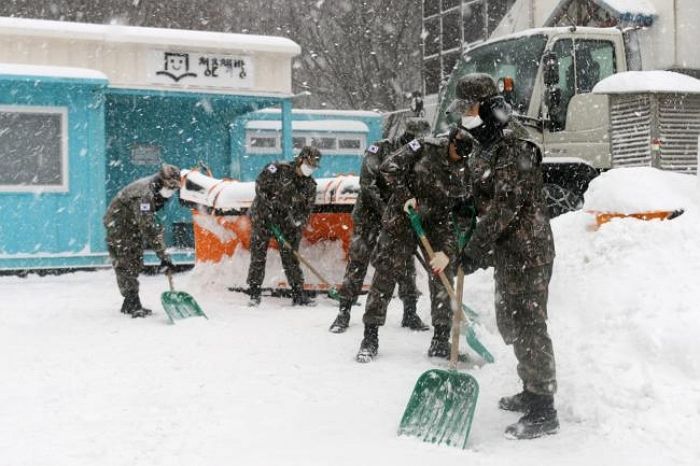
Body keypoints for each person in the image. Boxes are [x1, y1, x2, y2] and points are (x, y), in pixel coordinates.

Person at [450, 73, 558, 439]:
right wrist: (467, 204)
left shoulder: (515, 147)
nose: (463, 116)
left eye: (468, 108)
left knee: (529, 324)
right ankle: (531, 390)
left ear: (490, 108)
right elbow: (487, 194)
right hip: (509, 251)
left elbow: (505, 208)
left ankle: (544, 408)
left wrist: (474, 250)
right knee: (512, 322)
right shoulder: (489, 143)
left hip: (528, 251)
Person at [354, 120, 470, 363]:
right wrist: (406, 196)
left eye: (464, 156)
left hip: (437, 222)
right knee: (386, 271)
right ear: (450, 142)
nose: (458, 159)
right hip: (403, 215)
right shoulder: (424, 147)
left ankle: (440, 340)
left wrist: (448, 251)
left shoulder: (468, 167)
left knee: (442, 273)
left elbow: (462, 214)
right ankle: (370, 336)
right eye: (457, 152)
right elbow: (388, 168)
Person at [329, 118, 431, 334]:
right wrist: (386, 211)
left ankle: (410, 312)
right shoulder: (380, 148)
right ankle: (344, 311)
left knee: (405, 264)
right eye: (417, 139)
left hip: (399, 218)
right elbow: (368, 183)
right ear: (408, 135)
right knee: (359, 261)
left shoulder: (420, 157)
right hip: (370, 215)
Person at [104, 163, 181, 318]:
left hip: (131, 222)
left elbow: (151, 223)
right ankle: (132, 302)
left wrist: (163, 254)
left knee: (135, 259)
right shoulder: (145, 195)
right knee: (126, 259)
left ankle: (130, 301)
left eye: (175, 187)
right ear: (162, 181)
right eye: (170, 186)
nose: (172, 190)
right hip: (119, 225)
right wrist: (163, 256)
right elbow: (148, 227)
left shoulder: (157, 189)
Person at [246, 146, 321, 307]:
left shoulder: (310, 186)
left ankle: (298, 294)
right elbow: (260, 184)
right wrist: (268, 206)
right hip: (263, 218)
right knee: (258, 255)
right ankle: (254, 292)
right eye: (309, 164)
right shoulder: (278, 168)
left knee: (291, 257)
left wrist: (296, 225)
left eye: (314, 166)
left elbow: (305, 213)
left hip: (287, 224)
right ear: (300, 159)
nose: (311, 169)